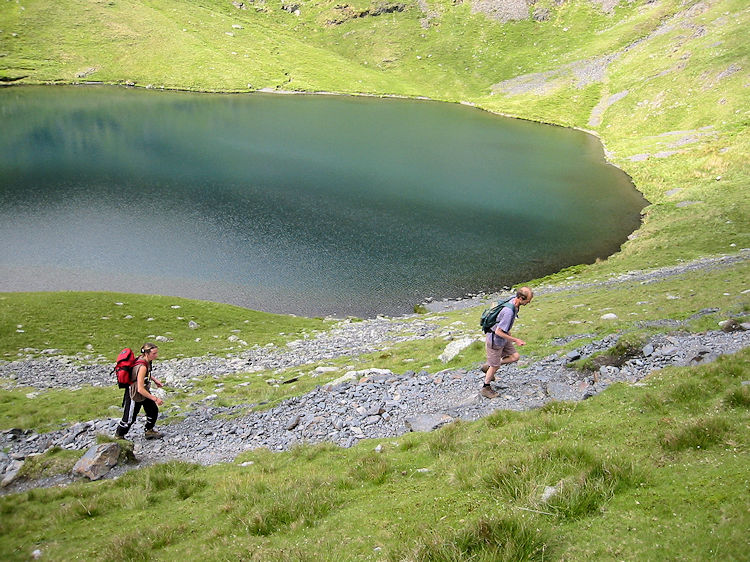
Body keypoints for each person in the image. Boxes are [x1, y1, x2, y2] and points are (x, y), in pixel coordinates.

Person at [481, 287, 534, 399]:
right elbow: (498, 331)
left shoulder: (514, 302)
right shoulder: (509, 311)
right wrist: (516, 340)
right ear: (520, 298)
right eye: (528, 300)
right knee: (495, 366)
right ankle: (486, 387)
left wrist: (509, 334)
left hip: (504, 337)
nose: (529, 302)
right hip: (495, 339)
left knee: (515, 357)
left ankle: (488, 366)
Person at [115, 343, 165, 439]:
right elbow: (140, 389)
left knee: (153, 410)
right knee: (129, 419)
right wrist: (155, 399)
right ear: (146, 353)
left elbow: (144, 375)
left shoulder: (145, 361)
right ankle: (119, 436)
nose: (156, 355)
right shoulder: (142, 366)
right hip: (134, 394)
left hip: (143, 391)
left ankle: (149, 431)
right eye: (154, 353)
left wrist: (155, 380)